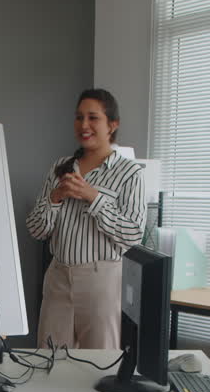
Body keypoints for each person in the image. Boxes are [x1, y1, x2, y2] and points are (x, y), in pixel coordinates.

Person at [25, 88, 147, 349]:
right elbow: (35, 229)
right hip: (58, 277)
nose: (84, 125)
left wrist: (93, 197)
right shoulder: (60, 168)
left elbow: (133, 234)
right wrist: (56, 197)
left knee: (99, 361)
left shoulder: (129, 173)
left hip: (102, 280)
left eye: (93, 118)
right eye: (79, 117)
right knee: (50, 359)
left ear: (112, 125)